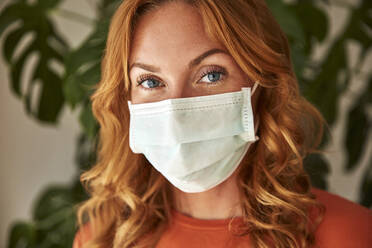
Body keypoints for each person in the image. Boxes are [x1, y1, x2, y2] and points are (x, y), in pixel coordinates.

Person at [73, 0, 372, 247]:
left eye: (211, 75)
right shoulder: (100, 238)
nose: (177, 109)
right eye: (150, 81)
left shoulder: (347, 233)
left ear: (261, 84)